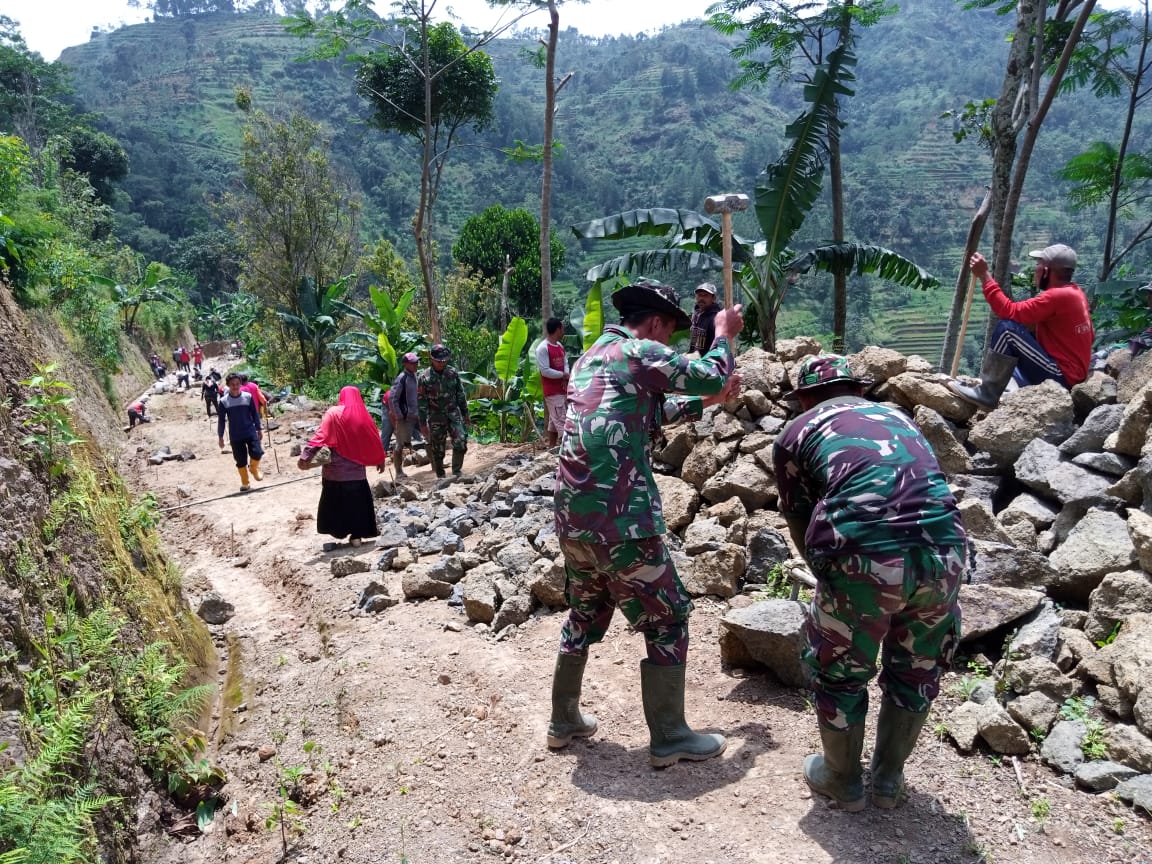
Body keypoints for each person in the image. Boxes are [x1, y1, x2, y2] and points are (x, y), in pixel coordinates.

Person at [548, 279, 743, 768]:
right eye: (671, 333)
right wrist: (723, 333)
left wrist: (711, 403)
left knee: (586, 611)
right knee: (669, 615)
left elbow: (652, 409)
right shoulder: (639, 350)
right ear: (656, 323)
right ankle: (670, 736)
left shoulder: (593, 357)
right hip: (622, 520)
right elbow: (706, 372)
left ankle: (563, 718)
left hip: (574, 519)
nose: (669, 343)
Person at [772, 354, 966, 811]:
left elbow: (798, 515)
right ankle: (888, 780)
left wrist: (830, 580)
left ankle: (842, 779)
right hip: (945, 550)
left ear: (804, 398)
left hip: (863, 552)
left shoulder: (796, 432)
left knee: (839, 671)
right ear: (858, 390)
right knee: (917, 668)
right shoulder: (898, 417)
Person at [947, 244, 1093, 409]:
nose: (1035, 270)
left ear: (1046, 271)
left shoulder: (1056, 296)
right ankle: (1002, 388)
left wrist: (984, 275)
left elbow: (1008, 312)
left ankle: (987, 394)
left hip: (1063, 376)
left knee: (1007, 330)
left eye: (1038, 265)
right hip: (1074, 374)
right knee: (1021, 332)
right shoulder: (1076, 293)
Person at [297, 386, 386, 549]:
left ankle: (340, 531)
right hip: (356, 475)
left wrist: (306, 456)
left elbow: (321, 436)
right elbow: (374, 439)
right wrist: (380, 459)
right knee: (357, 504)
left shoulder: (333, 413)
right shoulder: (364, 416)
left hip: (335, 472)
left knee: (336, 503)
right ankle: (357, 536)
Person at [417, 344, 470, 479]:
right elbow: (421, 401)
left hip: (453, 414)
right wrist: (422, 423)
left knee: (460, 441)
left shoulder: (452, 373)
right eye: (439, 361)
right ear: (431, 359)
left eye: (444, 361)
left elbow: (460, 394)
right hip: (435, 416)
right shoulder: (424, 377)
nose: (442, 363)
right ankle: (441, 475)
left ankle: (457, 472)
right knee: (437, 448)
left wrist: (465, 413)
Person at [217, 372, 264, 492]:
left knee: (257, 452)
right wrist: (220, 436)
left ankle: (253, 469)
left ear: (240, 384)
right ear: (228, 385)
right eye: (232, 384)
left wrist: (259, 428)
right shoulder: (223, 401)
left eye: (237, 384)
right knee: (240, 459)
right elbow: (221, 420)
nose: (235, 386)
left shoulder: (247, 397)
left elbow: (255, 414)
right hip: (235, 435)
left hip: (250, 431)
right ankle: (245, 482)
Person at [535, 318, 569, 448]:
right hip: (553, 392)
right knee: (562, 421)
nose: (563, 331)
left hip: (562, 389)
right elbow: (545, 371)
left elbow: (565, 362)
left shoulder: (560, 346)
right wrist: (563, 375)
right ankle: (566, 451)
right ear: (558, 329)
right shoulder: (542, 348)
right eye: (562, 328)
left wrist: (565, 375)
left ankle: (551, 448)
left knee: (554, 423)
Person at [387, 352, 420, 479]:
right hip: (405, 417)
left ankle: (435, 465)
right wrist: (399, 415)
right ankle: (398, 471)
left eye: (416, 362)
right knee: (400, 444)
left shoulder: (414, 376)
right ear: (406, 364)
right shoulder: (402, 378)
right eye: (413, 363)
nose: (416, 364)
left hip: (416, 414)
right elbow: (392, 398)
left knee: (429, 437)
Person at [688, 281, 722, 356]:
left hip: (706, 363)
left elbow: (718, 347)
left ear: (713, 298)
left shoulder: (716, 319)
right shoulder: (696, 315)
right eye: (699, 295)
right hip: (694, 361)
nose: (701, 298)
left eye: (705, 295)